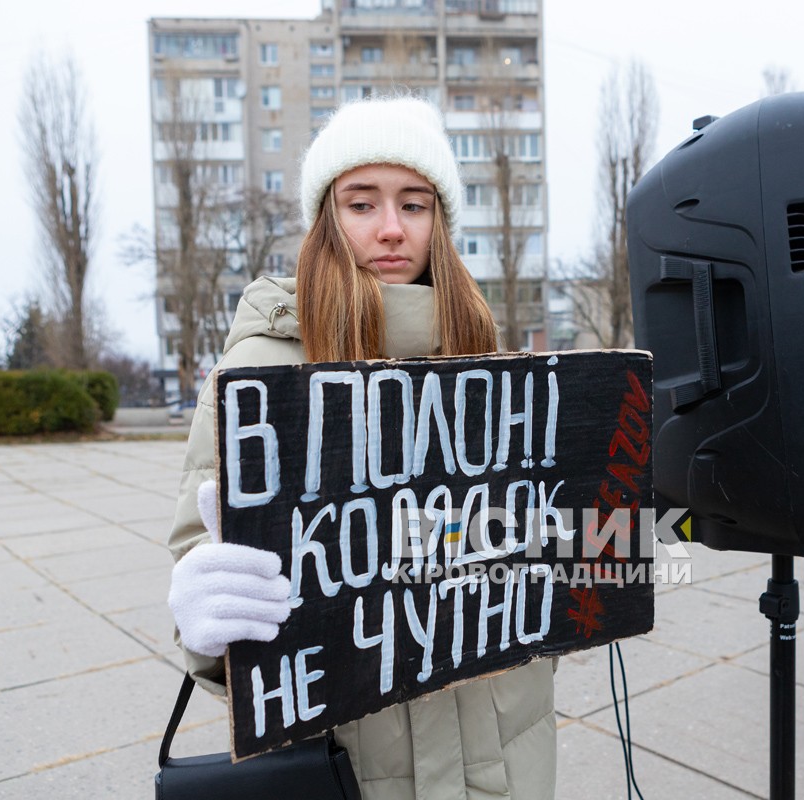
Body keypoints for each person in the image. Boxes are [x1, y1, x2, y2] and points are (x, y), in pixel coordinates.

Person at [165, 96, 557, 800]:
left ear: (440, 221)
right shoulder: (260, 367)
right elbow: (210, 561)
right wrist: (210, 618)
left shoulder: (480, 353)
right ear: (326, 219)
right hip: (354, 758)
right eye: (360, 203)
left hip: (506, 746)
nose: (389, 229)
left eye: (414, 204)